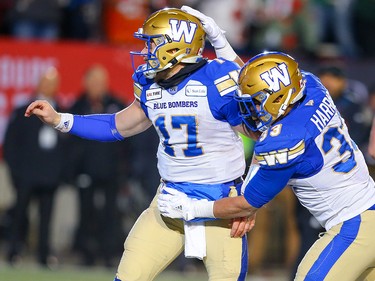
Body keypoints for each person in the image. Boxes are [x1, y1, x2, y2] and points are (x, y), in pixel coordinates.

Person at [24, 6, 258, 281]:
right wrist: (60, 119)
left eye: (153, 42)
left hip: (220, 202)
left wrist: (248, 201)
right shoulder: (151, 84)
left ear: (175, 45)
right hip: (170, 200)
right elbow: (116, 125)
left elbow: (260, 125)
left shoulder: (215, 78)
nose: (146, 51)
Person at [158, 51, 375, 281]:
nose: (251, 110)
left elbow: (244, 204)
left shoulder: (287, 139)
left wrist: (190, 209)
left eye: (257, 102)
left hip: (355, 225)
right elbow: (259, 82)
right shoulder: (312, 87)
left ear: (279, 97)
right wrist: (224, 48)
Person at [65, 64, 129, 267]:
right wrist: (73, 169)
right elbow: (69, 142)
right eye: (93, 82)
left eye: (100, 82)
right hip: (85, 170)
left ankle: (109, 253)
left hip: (111, 171)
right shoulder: (77, 106)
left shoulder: (117, 105)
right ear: (85, 83)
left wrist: (125, 170)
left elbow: (129, 141)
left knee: (111, 214)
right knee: (86, 213)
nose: (97, 86)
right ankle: (86, 254)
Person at [3, 67, 65, 267]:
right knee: (20, 213)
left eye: (52, 83)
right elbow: (11, 143)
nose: (48, 87)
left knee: (47, 217)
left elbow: (70, 147)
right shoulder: (23, 111)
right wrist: (16, 171)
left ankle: (43, 254)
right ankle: (14, 250)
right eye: (45, 82)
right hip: (27, 173)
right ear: (39, 84)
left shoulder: (62, 112)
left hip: (50, 174)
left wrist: (62, 172)